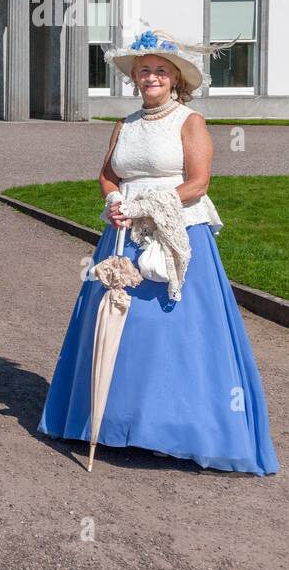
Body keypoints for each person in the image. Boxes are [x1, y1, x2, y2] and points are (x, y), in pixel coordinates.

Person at [39, 29, 278, 475]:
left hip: (175, 232)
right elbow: (108, 174)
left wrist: (147, 206)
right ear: (135, 79)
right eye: (144, 71)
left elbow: (198, 183)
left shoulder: (190, 122)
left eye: (160, 71)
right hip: (123, 235)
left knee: (170, 326)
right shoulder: (124, 124)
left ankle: (175, 428)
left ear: (175, 80)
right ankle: (112, 420)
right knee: (118, 320)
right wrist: (114, 202)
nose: (151, 77)